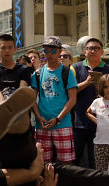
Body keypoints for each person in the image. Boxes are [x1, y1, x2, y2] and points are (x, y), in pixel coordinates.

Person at [31, 36, 78, 168]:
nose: (49, 54)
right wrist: (38, 117)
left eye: (53, 51)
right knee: (43, 163)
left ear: (59, 51)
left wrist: (57, 119)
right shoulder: (38, 73)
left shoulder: (67, 72)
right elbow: (32, 99)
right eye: (46, 51)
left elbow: (72, 99)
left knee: (66, 163)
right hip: (42, 125)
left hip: (63, 124)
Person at [72, 37, 109, 169]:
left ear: (102, 52)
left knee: (95, 161)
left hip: (100, 123)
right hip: (78, 122)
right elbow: (70, 92)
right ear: (85, 52)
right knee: (75, 160)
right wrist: (86, 83)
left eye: (96, 48)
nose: (93, 51)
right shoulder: (75, 68)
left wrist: (102, 88)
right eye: (90, 48)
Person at [0, 34, 32, 105]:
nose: (7, 51)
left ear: (15, 49)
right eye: (3, 48)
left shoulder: (24, 69)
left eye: (10, 47)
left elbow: (21, 91)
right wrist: (5, 109)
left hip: (19, 110)